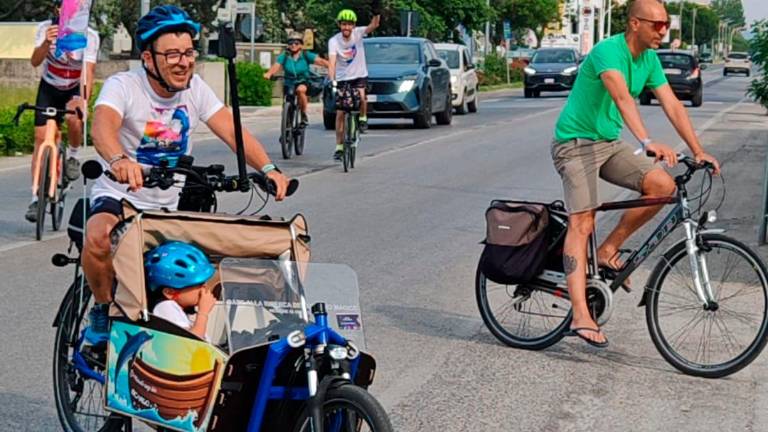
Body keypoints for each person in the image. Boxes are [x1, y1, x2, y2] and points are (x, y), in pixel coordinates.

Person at [82, 5, 291, 344]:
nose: (184, 62)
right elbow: (103, 127)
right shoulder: (124, 86)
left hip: (169, 205)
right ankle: (103, 311)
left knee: (205, 266)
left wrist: (268, 168)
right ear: (148, 59)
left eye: (189, 52)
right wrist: (119, 159)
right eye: (172, 54)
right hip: (121, 197)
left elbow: (233, 131)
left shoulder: (195, 90)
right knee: (98, 238)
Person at [550, 0, 720, 348]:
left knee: (662, 185)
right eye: (657, 25)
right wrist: (647, 141)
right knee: (583, 221)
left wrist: (698, 150)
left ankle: (608, 250)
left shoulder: (650, 59)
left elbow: (672, 103)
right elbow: (622, 97)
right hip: (575, 144)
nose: (663, 31)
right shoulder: (607, 52)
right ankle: (580, 314)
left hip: (608, 144)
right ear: (634, 23)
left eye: (666, 24)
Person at [27, 0, 100, 222]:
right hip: (49, 86)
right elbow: (35, 62)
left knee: (74, 119)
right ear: (57, 10)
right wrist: (45, 43)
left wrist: (83, 101)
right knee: (41, 139)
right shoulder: (45, 28)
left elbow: (88, 73)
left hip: (73, 88)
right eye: (64, 7)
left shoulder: (89, 36)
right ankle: (35, 197)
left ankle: (73, 157)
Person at [327, 8, 380, 160]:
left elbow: (374, 25)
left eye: (349, 24)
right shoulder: (334, 41)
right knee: (340, 113)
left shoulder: (358, 34)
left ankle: (362, 118)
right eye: (344, 24)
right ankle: (339, 146)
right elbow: (332, 62)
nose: (347, 27)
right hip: (342, 78)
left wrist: (376, 11)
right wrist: (332, 80)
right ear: (339, 25)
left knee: (361, 96)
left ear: (354, 26)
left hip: (359, 75)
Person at [145, 241, 216, 340]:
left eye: (204, 283)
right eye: (198, 285)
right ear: (169, 293)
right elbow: (191, 341)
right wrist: (203, 313)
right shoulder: (165, 307)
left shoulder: (179, 310)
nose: (204, 289)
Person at [263, 32, 330, 127]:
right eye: (291, 43)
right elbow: (276, 65)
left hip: (303, 81)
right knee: (288, 99)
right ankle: (287, 122)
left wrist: (332, 67)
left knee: (300, 90)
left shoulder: (306, 55)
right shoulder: (285, 55)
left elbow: (321, 61)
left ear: (301, 45)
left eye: (296, 43)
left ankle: (303, 114)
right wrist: (269, 73)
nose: (293, 45)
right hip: (289, 82)